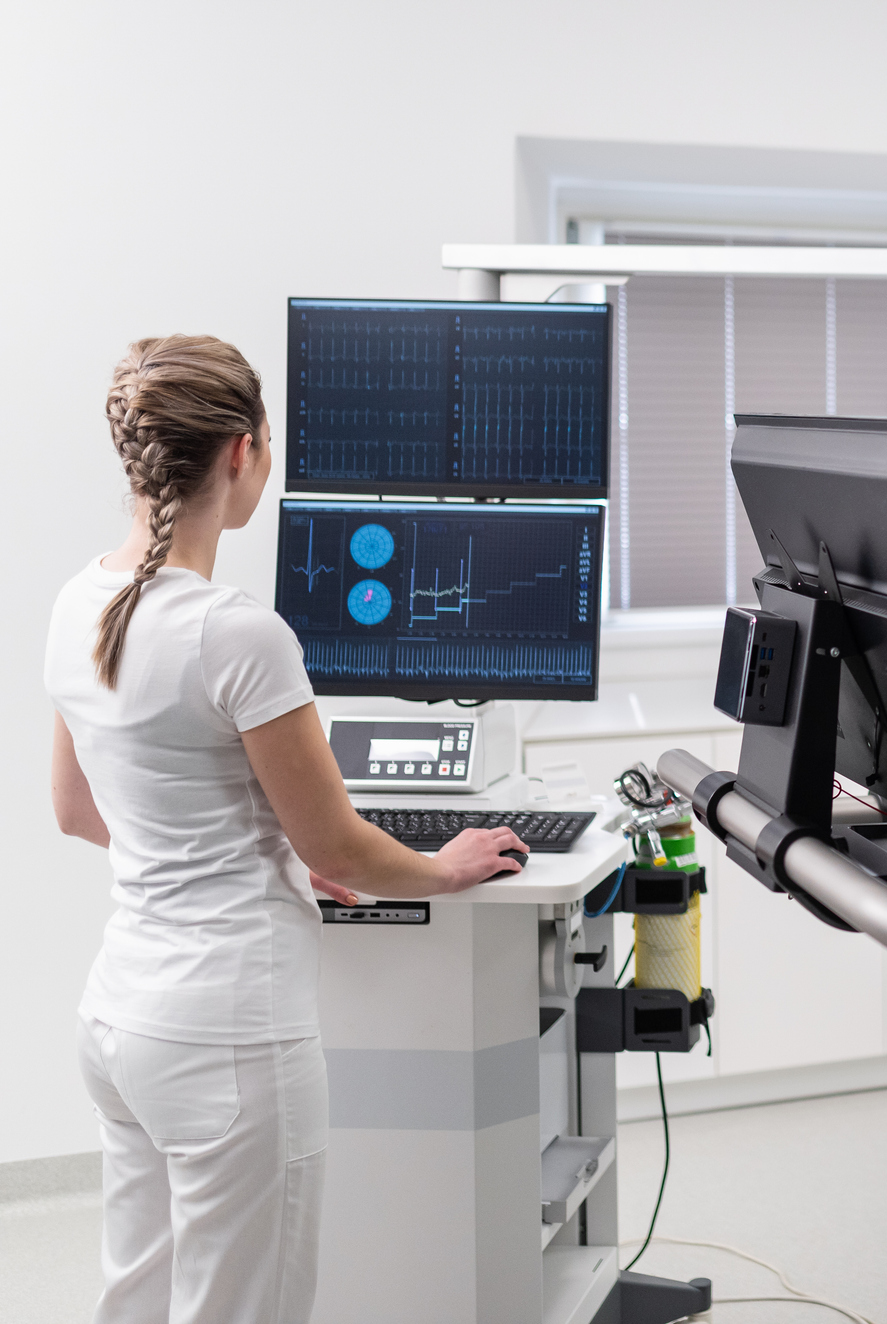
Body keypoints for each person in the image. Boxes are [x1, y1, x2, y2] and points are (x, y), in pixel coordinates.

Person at [46, 335, 529, 1323]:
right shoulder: (237, 634)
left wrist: (240, 856)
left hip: (120, 1021)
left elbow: (78, 811)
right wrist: (442, 866)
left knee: (137, 1299)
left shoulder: (76, 601)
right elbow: (337, 846)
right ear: (242, 452)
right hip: (228, 1039)